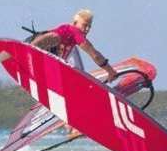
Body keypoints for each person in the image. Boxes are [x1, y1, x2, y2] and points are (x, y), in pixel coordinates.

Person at [30, 9, 118, 137]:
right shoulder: (72, 31)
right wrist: (110, 71)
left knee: (71, 92)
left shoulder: (69, 34)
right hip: (45, 67)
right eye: (84, 25)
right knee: (74, 92)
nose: (87, 29)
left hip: (49, 70)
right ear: (75, 22)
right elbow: (94, 54)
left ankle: (71, 127)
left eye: (89, 26)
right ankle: (73, 127)